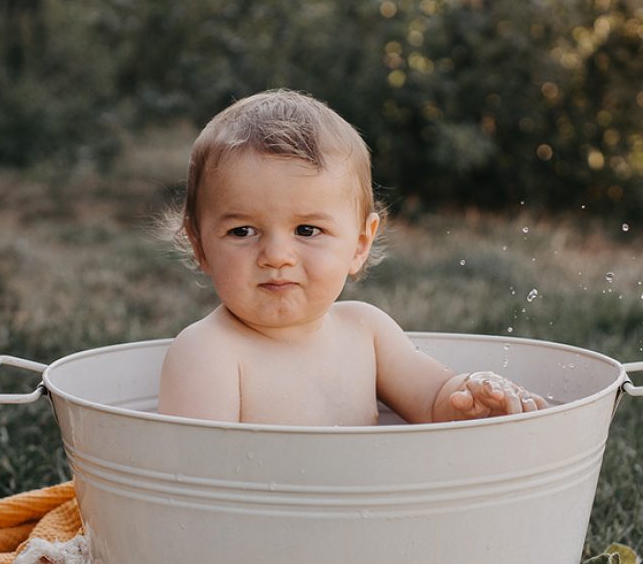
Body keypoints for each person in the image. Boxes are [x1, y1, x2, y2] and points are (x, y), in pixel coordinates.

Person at [157, 89, 546, 426]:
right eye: (242, 231)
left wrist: (469, 398)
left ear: (360, 244)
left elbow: (434, 400)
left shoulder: (367, 331)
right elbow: (196, 483)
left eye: (307, 230)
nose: (276, 256)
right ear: (199, 245)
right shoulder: (208, 352)